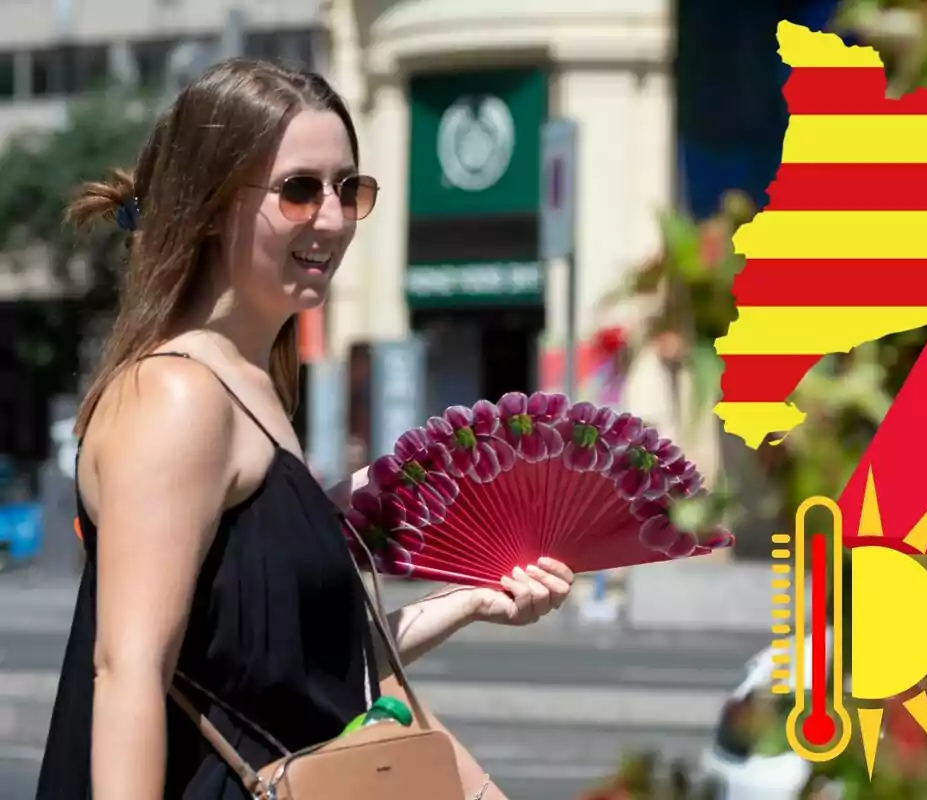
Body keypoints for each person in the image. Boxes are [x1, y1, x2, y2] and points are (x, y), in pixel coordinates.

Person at [36, 58, 573, 800]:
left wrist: (470, 599)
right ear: (213, 203)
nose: (332, 216)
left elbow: (292, 670)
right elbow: (127, 670)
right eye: (298, 190)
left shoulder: (253, 390)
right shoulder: (178, 396)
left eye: (348, 189)